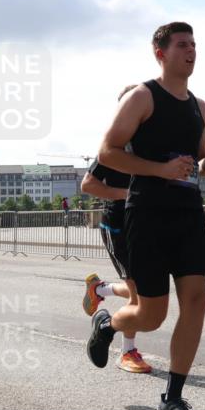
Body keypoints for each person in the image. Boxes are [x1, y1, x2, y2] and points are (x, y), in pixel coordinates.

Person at [89, 21, 205, 410]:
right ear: (160, 53)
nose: (192, 51)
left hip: (187, 213)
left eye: (194, 45)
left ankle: (172, 398)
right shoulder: (142, 97)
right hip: (147, 212)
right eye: (183, 45)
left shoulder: (198, 107)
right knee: (150, 315)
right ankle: (107, 322)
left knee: (197, 300)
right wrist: (159, 168)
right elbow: (108, 152)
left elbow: (197, 166)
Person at [81, 84, 151, 374]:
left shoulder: (151, 147)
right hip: (118, 225)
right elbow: (87, 185)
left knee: (145, 293)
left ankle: (101, 289)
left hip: (146, 224)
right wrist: (126, 195)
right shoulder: (113, 147)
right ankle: (128, 351)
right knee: (139, 295)